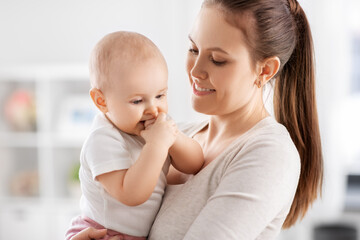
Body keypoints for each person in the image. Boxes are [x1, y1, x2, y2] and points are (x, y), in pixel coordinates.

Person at [72, 0, 323, 239]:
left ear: (265, 70)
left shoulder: (269, 154)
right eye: (193, 49)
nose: (194, 70)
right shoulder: (170, 133)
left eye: (217, 60)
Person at [65, 31, 204, 240]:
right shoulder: (102, 140)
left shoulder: (157, 130)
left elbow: (195, 163)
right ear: (101, 101)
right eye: (137, 101)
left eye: (160, 95)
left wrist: (173, 138)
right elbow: (132, 194)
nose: (153, 109)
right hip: (101, 233)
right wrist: (157, 146)